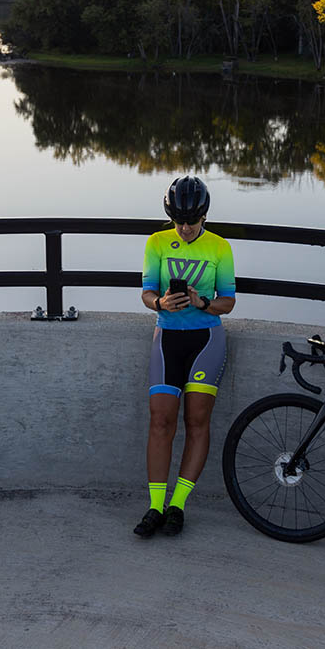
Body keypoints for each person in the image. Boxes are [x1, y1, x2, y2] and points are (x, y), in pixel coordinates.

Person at [134, 176, 236, 538]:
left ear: (204, 215)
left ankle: (178, 505)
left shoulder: (220, 247)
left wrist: (202, 302)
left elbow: (228, 301)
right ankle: (154, 507)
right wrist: (160, 302)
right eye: (178, 220)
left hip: (205, 340)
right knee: (160, 420)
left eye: (191, 220)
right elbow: (146, 293)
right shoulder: (158, 242)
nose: (185, 227)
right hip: (167, 338)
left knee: (196, 421)